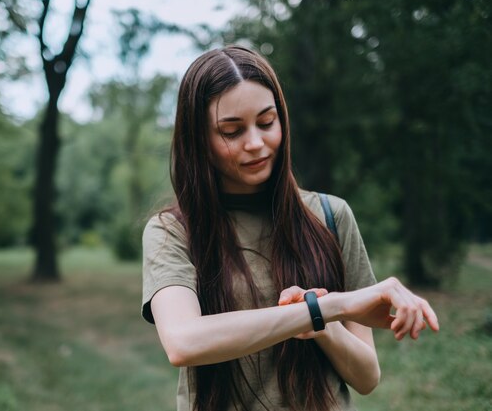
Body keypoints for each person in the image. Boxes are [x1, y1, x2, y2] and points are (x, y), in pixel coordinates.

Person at [141, 45, 439, 411]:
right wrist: (329, 306)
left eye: (267, 122)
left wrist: (319, 322)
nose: (256, 143)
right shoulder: (172, 231)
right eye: (232, 131)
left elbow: (366, 377)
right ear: (199, 139)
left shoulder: (331, 216)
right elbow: (183, 343)